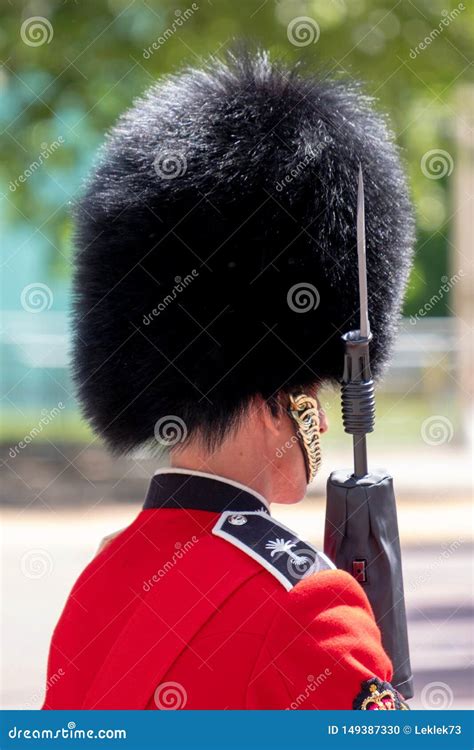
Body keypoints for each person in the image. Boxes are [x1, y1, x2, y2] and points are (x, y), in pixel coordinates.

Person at [43, 50, 413, 710]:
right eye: (314, 391)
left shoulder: (100, 584)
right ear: (275, 397)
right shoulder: (310, 607)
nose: (323, 421)